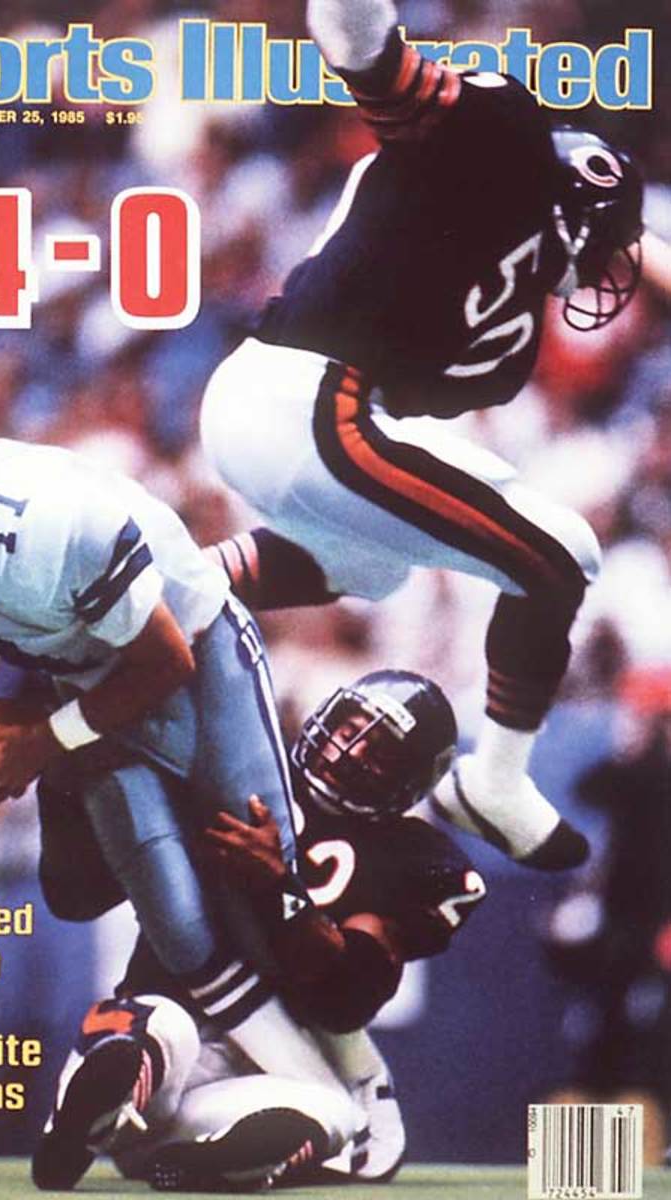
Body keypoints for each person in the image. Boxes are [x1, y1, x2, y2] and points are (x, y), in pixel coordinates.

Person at [199, 0, 645, 871]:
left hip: (277, 409)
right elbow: (362, 49)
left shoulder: (499, 321)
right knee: (558, 554)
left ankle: (160, 587)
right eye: (602, 243)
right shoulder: (504, 139)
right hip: (305, 403)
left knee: (374, 565)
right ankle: (495, 781)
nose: (598, 272)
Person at [0, 423, 345, 1081]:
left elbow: (166, 659)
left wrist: (40, 742)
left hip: (195, 653)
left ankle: (354, 1077)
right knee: (172, 919)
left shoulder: (48, 535)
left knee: (263, 869)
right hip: (92, 680)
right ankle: (289, 1078)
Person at [32, 669, 486, 1191]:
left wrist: (277, 889)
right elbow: (75, 897)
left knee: (328, 1118)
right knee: (158, 1031)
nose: (353, 752)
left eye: (379, 752)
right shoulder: (235, 772)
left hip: (253, 1078)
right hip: (166, 1033)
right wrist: (61, 786)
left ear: (411, 780)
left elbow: (346, 1002)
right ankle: (87, 1114)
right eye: (350, 730)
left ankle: (196, 1163)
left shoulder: (414, 861)